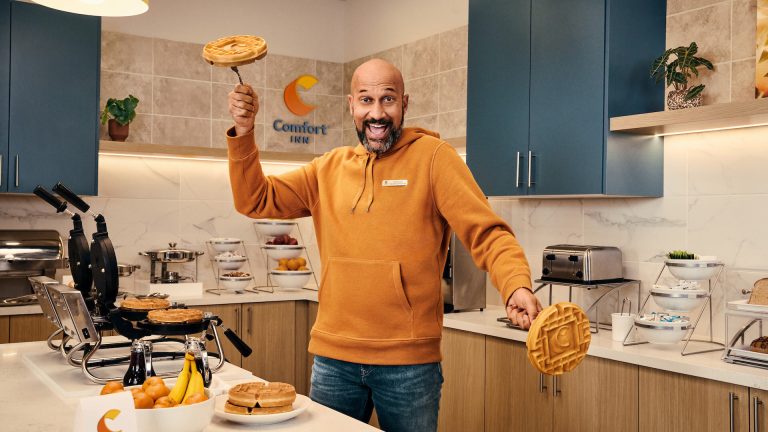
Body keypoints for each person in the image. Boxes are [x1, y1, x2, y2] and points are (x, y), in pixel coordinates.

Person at [226, 58, 541, 432]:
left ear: (404, 104)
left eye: (387, 100)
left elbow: (487, 232)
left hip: (408, 366)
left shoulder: (435, 159)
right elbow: (255, 199)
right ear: (351, 105)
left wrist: (515, 283)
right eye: (366, 100)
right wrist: (244, 131)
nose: (377, 113)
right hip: (333, 360)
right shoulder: (327, 169)